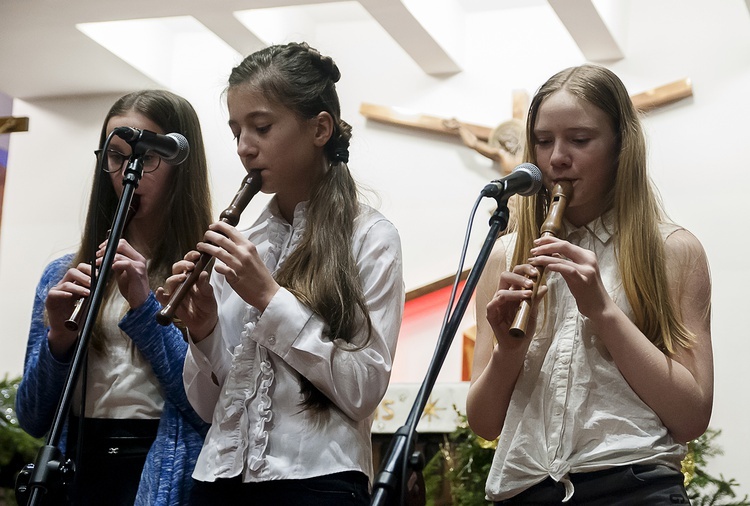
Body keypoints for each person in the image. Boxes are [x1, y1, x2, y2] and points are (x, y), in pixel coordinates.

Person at [156, 42, 404, 505]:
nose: (245, 147)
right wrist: (205, 330)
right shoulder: (244, 242)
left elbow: (363, 389)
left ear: (320, 129)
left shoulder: (371, 237)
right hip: (218, 480)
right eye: (236, 131)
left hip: (319, 481)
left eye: (262, 127)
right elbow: (211, 410)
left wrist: (270, 298)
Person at [466, 64, 713, 505]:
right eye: (543, 141)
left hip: (634, 484)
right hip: (524, 487)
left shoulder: (673, 249)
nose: (556, 157)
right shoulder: (506, 254)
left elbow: (691, 416)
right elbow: (485, 423)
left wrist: (602, 310)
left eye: (579, 140)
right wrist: (508, 351)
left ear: (621, 146)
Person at [16, 89, 213, 505]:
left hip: (159, 466)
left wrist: (145, 308)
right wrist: (58, 339)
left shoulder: (209, 273)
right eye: (117, 155)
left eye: (147, 156)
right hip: (78, 462)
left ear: (181, 163)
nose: (129, 171)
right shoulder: (63, 272)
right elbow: (32, 417)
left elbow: (206, 413)